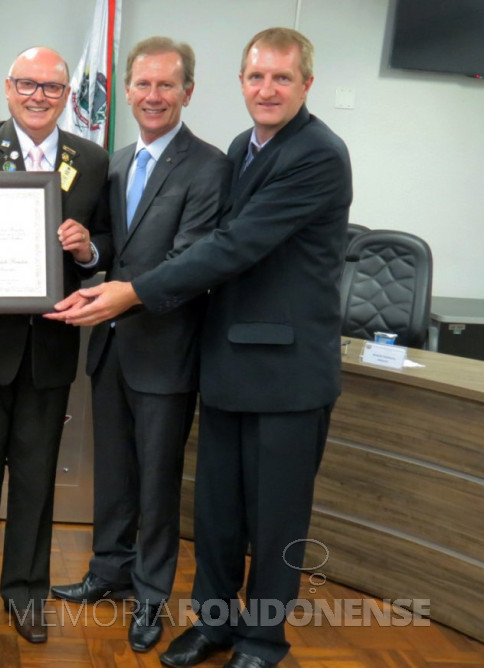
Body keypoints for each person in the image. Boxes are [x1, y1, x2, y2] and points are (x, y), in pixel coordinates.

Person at [48, 27, 352, 668]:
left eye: (282, 78)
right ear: (241, 82)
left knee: (274, 523)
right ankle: (215, 624)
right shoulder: (246, 147)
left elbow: (230, 248)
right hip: (227, 363)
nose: (267, 89)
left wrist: (128, 293)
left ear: (306, 85)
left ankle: (263, 639)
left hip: (286, 374)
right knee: (215, 514)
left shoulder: (319, 153)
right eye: (256, 76)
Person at [49, 37, 230, 654]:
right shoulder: (116, 160)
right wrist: (86, 252)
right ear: (125, 90)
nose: (152, 96)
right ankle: (109, 572)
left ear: (187, 93)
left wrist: (123, 293)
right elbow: (109, 245)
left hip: (166, 350)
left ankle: (151, 596)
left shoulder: (210, 167)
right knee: (115, 475)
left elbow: (193, 262)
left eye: (166, 86)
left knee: (157, 483)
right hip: (111, 348)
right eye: (142, 85)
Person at [0, 46, 108, 644]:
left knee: (36, 480)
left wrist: (86, 248)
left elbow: (102, 248)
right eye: (28, 85)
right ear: (7, 89)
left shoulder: (90, 158)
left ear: (67, 96)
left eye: (52, 88)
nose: (39, 96)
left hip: (48, 350)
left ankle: (28, 593)